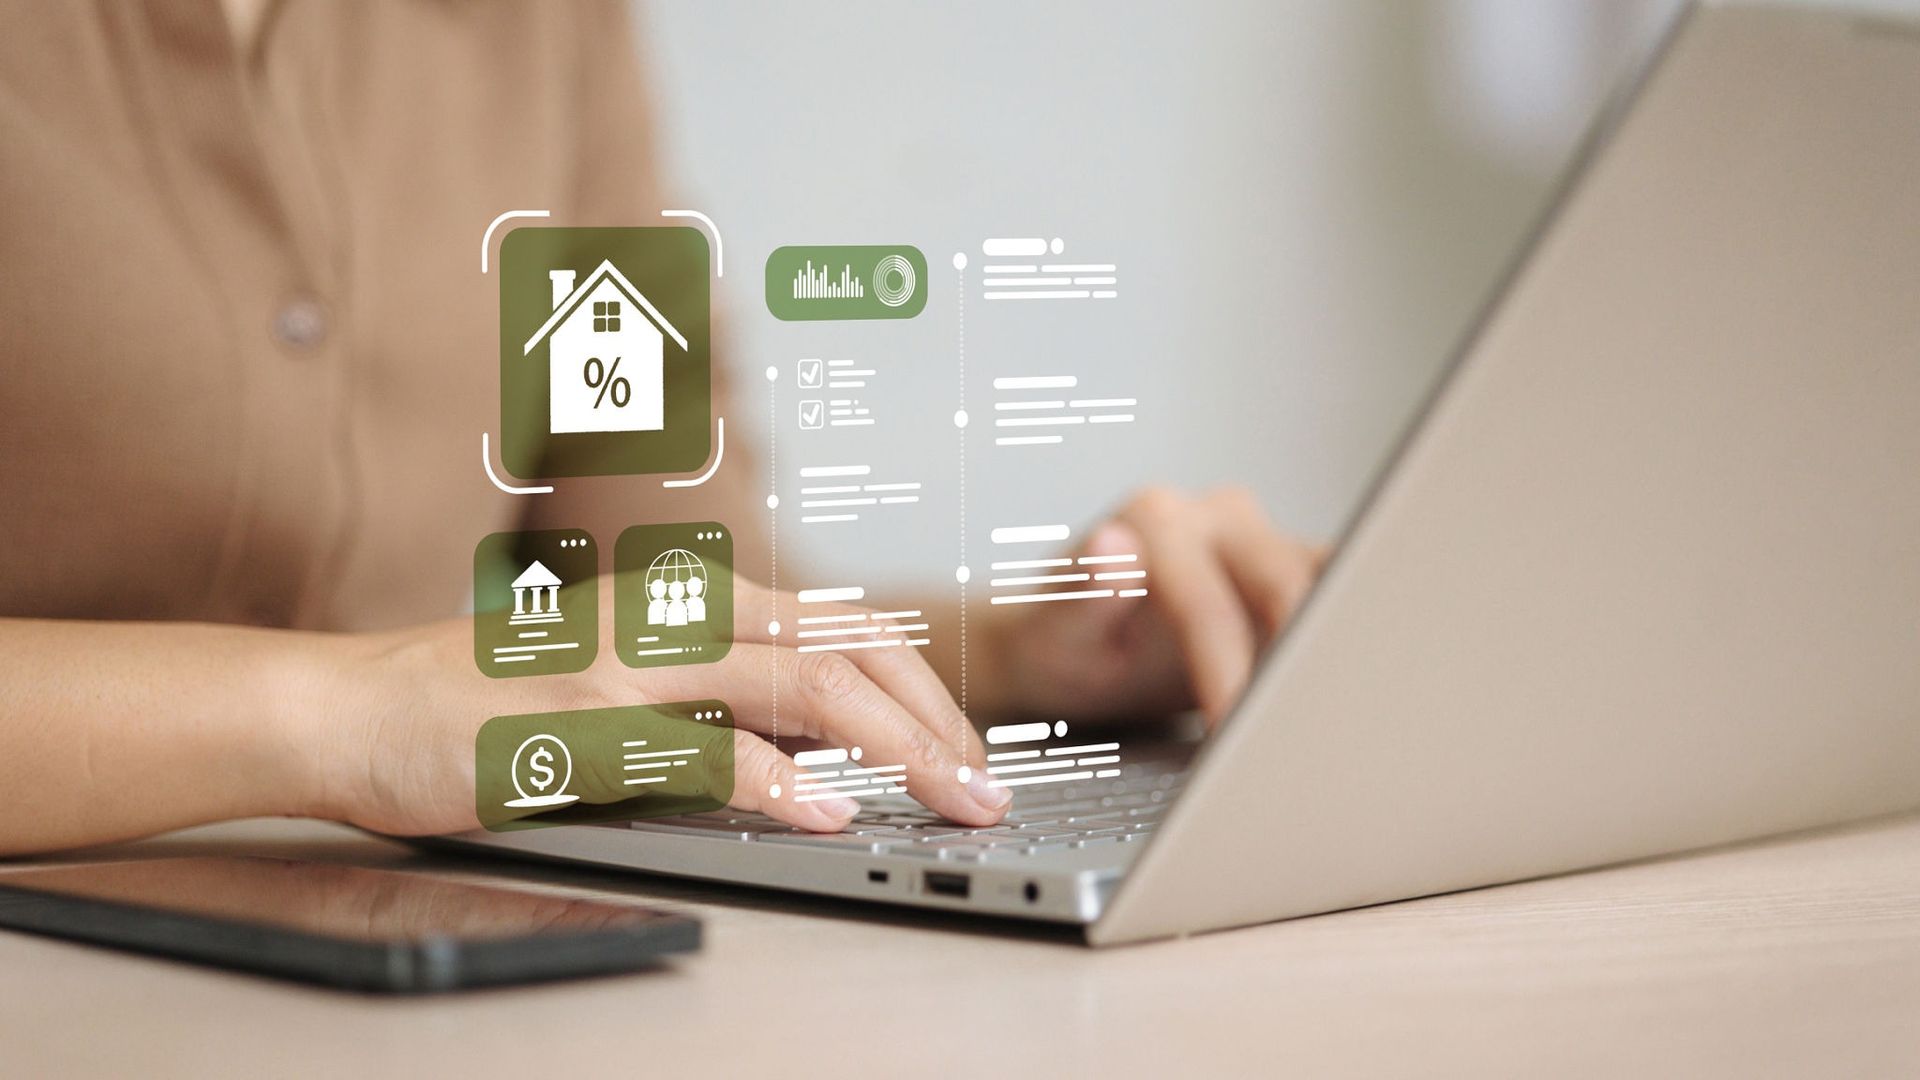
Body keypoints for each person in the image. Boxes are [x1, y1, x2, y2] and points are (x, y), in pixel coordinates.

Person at [0, 1, 1326, 857]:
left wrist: (1033, 649)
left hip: (445, 971)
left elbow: (661, 600)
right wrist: (346, 711)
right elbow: (429, 691)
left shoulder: (543, 27)